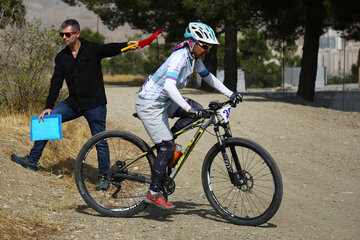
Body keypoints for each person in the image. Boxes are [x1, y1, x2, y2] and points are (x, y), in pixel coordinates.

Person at [11, 19, 138, 190]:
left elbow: (110, 48)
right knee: (48, 121)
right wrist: (48, 106)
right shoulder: (61, 57)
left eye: (67, 34)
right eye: (61, 34)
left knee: (99, 140)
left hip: (95, 104)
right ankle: (31, 161)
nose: (64, 37)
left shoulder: (92, 49)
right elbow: (55, 83)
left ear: (77, 34)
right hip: (73, 103)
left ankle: (103, 178)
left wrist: (127, 45)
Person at [135, 22, 243, 210]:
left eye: (209, 47)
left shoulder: (193, 58)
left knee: (198, 110)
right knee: (169, 146)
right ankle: (152, 193)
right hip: (150, 104)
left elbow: (209, 77)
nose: (208, 51)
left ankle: (168, 142)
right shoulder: (179, 57)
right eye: (205, 46)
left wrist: (230, 94)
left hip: (165, 101)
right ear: (193, 43)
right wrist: (187, 108)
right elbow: (169, 86)